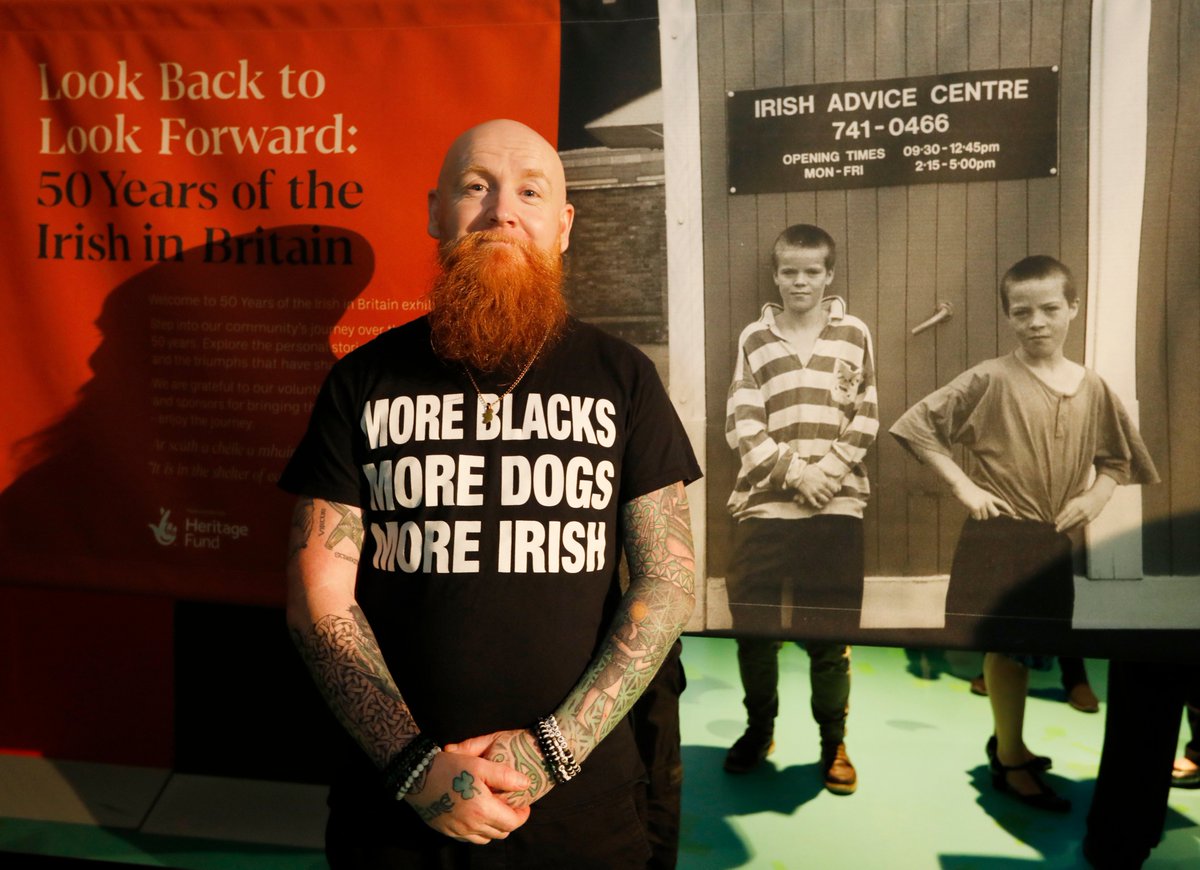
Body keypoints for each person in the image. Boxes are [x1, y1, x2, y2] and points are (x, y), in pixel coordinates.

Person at [280, 118, 701, 868]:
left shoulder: (624, 378)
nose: (503, 210)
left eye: (530, 191)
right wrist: (414, 765)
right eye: (477, 187)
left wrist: (551, 751)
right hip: (397, 813)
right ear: (436, 211)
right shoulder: (360, 383)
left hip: (583, 809)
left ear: (563, 225)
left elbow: (668, 581)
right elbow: (321, 597)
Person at [890, 255, 1158, 813]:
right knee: (1009, 653)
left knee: (1036, 648)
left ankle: (1007, 743)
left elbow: (1117, 459)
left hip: (1051, 540)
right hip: (1000, 538)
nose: (1037, 322)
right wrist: (965, 487)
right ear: (1009, 318)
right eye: (1022, 312)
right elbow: (917, 426)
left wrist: (1095, 496)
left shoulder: (1094, 388)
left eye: (1050, 309)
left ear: (1073, 310)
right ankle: (1010, 758)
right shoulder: (991, 378)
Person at [722, 223, 878, 795]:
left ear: (829, 275)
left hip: (836, 510)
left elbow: (867, 413)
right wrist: (795, 475)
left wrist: (827, 476)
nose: (800, 282)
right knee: (755, 632)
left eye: (812, 271)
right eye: (789, 271)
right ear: (775, 274)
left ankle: (832, 740)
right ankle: (758, 728)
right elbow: (742, 423)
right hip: (765, 507)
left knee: (830, 636)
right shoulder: (755, 339)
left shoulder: (854, 333)